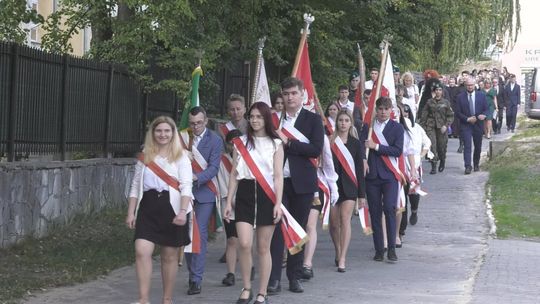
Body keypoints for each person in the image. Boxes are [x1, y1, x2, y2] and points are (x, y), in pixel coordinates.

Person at [126, 116, 193, 304]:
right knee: (141, 251)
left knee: (169, 256)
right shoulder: (145, 156)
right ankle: (143, 299)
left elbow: (186, 187)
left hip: (172, 207)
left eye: (167, 131)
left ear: (173, 133)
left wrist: (182, 211)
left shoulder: (182, 157)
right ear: (153, 133)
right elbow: (135, 186)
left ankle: (167, 299)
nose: (163, 134)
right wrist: (131, 212)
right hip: (148, 206)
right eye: (159, 131)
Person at [224, 102, 284, 304]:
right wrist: (229, 200)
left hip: (267, 195)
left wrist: (278, 203)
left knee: (263, 248)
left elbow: (277, 177)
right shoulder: (240, 142)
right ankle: (247, 286)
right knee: (244, 242)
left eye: (259, 116)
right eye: (252, 116)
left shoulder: (276, 144)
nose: (255, 120)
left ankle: (262, 292)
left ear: (266, 118)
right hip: (245, 194)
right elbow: (234, 174)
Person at [268, 77, 324, 294]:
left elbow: (315, 149)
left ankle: (294, 276)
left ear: (302, 95)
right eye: (286, 93)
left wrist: (289, 143)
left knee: (298, 231)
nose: (290, 97)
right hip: (277, 184)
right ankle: (273, 279)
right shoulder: (274, 120)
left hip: (302, 183)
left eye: (294, 93)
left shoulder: (313, 120)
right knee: (276, 232)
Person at [184, 106, 223, 295]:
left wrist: (196, 178)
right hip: (183, 193)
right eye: (192, 123)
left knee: (198, 233)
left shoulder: (215, 139)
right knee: (185, 234)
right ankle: (192, 272)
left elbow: (214, 168)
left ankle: (196, 279)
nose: (196, 126)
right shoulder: (184, 138)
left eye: (199, 123)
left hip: (205, 192)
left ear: (205, 121)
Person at [364, 97, 404, 262]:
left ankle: (392, 248)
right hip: (372, 175)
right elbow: (361, 146)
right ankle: (379, 249)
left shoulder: (397, 128)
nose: (382, 112)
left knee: (389, 208)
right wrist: (363, 159)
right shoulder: (368, 128)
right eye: (380, 109)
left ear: (390, 111)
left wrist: (377, 147)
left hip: (389, 175)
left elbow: (397, 151)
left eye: (385, 109)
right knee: (374, 212)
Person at [329, 110, 366, 272]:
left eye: (346, 120)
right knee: (333, 224)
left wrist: (361, 195)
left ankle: (343, 257)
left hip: (350, 187)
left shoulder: (356, 143)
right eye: (340, 120)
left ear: (351, 123)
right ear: (336, 122)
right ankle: (337, 250)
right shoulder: (330, 142)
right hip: (333, 187)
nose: (343, 123)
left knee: (345, 220)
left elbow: (359, 170)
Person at [399, 105, 430, 234]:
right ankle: (402, 226)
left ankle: (415, 210)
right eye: (402, 114)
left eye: (406, 113)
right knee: (402, 196)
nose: (404, 116)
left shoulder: (416, 128)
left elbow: (427, 143)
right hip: (400, 165)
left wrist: (421, 155)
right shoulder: (397, 129)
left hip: (414, 164)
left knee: (413, 192)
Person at [217, 129, 243, 287]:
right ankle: (231, 273)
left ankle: (250, 266)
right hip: (231, 206)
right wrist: (232, 201)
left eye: (238, 143)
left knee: (247, 241)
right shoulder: (222, 161)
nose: (234, 146)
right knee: (232, 239)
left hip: (248, 205)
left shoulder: (248, 160)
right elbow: (223, 185)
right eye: (232, 143)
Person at [418, 82, 454, 174]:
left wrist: (446, 125)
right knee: (432, 145)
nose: (438, 92)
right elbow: (424, 115)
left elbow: (450, 116)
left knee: (441, 146)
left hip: (442, 127)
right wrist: (422, 127)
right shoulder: (429, 102)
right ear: (434, 92)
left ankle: (442, 160)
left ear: (442, 91)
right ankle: (434, 165)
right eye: (436, 90)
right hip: (431, 126)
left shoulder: (446, 102)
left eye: (440, 90)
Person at [455, 77, 488, 174]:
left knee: (478, 146)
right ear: (465, 85)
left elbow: (487, 109)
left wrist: (484, 115)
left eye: (471, 85)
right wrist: (467, 119)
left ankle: (476, 164)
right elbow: (457, 112)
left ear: (475, 85)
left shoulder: (481, 95)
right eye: (468, 85)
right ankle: (468, 166)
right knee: (467, 145)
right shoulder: (460, 97)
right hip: (466, 124)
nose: (470, 87)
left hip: (478, 123)